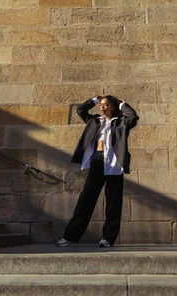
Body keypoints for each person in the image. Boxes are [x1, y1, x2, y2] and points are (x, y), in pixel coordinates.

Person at [57, 95, 139, 247]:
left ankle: (107, 238)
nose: (102, 107)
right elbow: (80, 109)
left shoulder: (121, 122)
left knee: (113, 203)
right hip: (97, 162)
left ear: (112, 107)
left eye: (106, 104)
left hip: (114, 165)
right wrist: (94, 100)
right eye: (101, 104)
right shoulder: (94, 121)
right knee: (85, 200)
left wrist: (122, 104)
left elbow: (133, 117)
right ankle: (70, 236)